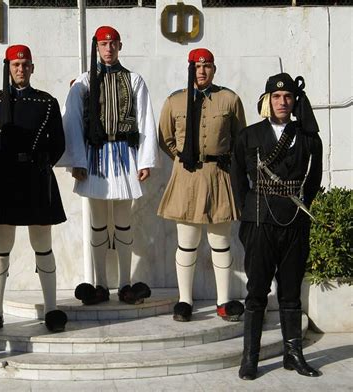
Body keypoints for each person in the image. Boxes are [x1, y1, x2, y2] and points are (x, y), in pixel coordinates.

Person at [59, 26, 159, 305]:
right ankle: (101, 284)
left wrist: (146, 159)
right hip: (95, 156)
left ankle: (125, 283)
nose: (108, 48)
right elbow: (73, 122)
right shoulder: (84, 81)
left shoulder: (134, 79)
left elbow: (145, 120)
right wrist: (76, 161)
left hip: (125, 154)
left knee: (124, 223)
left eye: (113, 43)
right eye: (104, 44)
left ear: (120, 45)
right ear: (97, 47)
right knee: (99, 223)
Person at [231, 73, 322, 380]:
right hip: (259, 221)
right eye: (277, 97)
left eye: (288, 97)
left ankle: (293, 355)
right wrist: (247, 210)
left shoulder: (308, 136)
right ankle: (250, 357)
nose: (283, 102)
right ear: (267, 100)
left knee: (291, 291)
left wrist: (299, 202)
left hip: (294, 222)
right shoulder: (249, 135)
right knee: (256, 290)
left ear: (295, 101)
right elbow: (237, 177)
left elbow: (314, 178)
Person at [0, 45, 67, 334]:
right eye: (15, 64)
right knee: (1, 247)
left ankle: (51, 309)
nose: (21, 69)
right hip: (3, 180)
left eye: (25, 64)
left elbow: (58, 144)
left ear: (32, 67)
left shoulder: (47, 102)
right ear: (8, 67)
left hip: (36, 179)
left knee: (43, 245)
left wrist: (42, 164)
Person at [158, 48, 246, 322]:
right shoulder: (175, 101)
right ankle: (185, 301)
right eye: (197, 66)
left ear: (214, 69)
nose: (202, 70)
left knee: (220, 242)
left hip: (219, 175)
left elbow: (240, 138)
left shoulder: (229, 99)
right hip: (187, 176)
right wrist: (180, 157)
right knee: (187, 242)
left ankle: (224, 301)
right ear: (190, 69)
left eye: (207, 66)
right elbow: (164, 138)